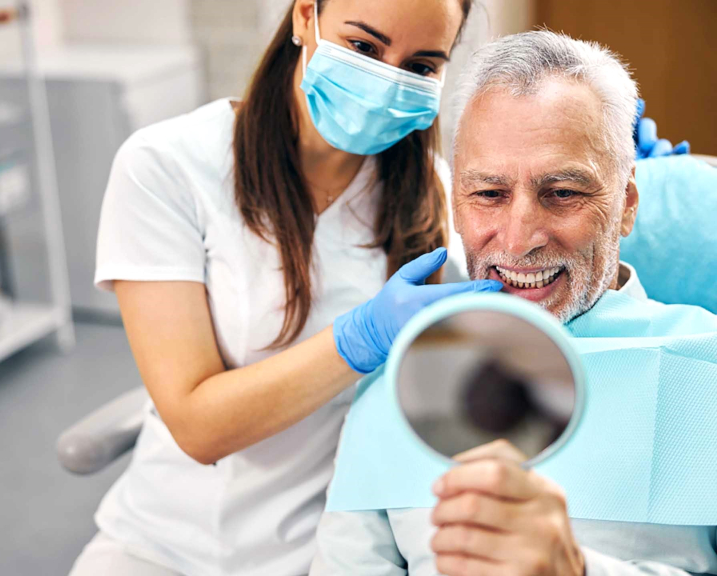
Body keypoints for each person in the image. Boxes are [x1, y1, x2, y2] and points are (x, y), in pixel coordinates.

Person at [66, 1, 511, 575]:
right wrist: (359, 340)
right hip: (170, 547)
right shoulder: (168, 167)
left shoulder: (434, 196)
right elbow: (198, 427)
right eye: (364, 47)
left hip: (334, 553)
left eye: (421, 66)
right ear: (305, 17)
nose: (387, 81)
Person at [310, 31, 717, 576]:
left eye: (563, 193)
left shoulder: (707, 369)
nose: (520, 239)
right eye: (489, 194)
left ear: (625, 203)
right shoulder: (397, 381)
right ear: (457, 207)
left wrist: (576, 570)